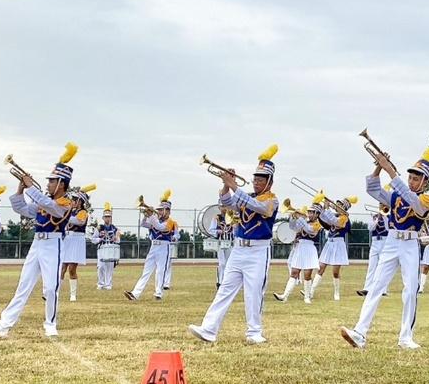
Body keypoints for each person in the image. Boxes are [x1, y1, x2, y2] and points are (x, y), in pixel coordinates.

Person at [340, 145, 429, 350]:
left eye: (416, 178)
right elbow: (372, 189)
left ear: (425, 181)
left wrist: (390, 170)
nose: (412, 181)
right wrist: (378, 167)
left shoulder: (427, 198)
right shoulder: (395, 195)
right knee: (376, 285)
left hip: (411, 243)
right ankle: (359, 332)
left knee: (411, 289)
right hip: (391, 241)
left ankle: (406, 337)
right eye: (410, 177)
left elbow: (414, 202)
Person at [0, 144, 77, 338]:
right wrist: (20, 190)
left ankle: (50, 323)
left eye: (51, 181)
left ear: (61, 183)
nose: (49, 184)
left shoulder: (65, 203)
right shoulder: (44, 200)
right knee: (23, 284)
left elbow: (49, 205)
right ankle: (4, 324)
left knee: (51, 287)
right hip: (37, 243)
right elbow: (23, 210)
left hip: (54, 244)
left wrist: (31, 187)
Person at [188, 145, 279, 344]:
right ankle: (209, 328)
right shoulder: (246, 196)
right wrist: (226, 186)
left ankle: (254, 332)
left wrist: (235, 186)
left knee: (254, 292)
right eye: (255, 179)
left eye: (260, 180)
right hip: (239, 248)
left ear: (269, 182)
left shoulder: (272, 200)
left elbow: (259, 208)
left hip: (258, 250)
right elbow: (226, 204)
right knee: (225, 288)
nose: (255, 183)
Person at [126, 190, 177, 301]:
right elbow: (143, 224)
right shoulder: (156, 219)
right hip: (154, 246)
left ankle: (158, 293)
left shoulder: (170, 222)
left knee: (160, 270)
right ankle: (135, 293)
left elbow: (160, 227)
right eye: (158, 210)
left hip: (164, 246)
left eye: (161, 210)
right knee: (146, 270)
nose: (158, 211)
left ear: (167, 211)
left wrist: (151, 216)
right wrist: (146, 215)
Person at [274, 201, 321, 303]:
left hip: (309, 248)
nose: (310, 214)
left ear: (317, 214)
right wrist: (293, 217)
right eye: (309, 212)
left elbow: (309, 229)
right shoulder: (304, 221)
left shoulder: (317, 224)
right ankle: (285, 296)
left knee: (307, 274)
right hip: (300, 247)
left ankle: (307, 296)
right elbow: (292, 227)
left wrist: (300, 217)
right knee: (294, 272)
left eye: (312, 212)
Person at [311, 196, 356, 300]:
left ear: (344, 208)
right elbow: (325, 218)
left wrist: (327, 209)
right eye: (338, 205)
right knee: (320, 267)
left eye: (340, 205)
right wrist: (323, 209)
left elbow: (334, 220)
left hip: (338, 244)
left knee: (335, 272)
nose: (337, 206)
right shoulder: (334, 216)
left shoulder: (344, 219)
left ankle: (336, 292)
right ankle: (311, 291)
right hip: (329, 244)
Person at [61, 183, 95, 302]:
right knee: (62, 267)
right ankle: (56, 290)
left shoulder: (83, 212)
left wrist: (64, 216)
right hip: (68, 239)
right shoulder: (70, 211)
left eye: (75, 199)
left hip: (77, 239)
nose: (73, 201)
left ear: (80, 202)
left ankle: (73, 294)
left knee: (72, 268)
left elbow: (78, 221)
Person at [357, 204, 389, 297]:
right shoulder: (374, 216)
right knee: (372, 266)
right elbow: (370, 228)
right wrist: (378, 218)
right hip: (375, 242)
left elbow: (388, 228)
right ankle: (367, 288)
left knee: (383, 266)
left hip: (385, 241)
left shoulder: (390, 216)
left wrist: (385, 216)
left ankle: (383, 290)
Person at [90, 203, 120, 290]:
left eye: (109, 216)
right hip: (102, 248)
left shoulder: (114, 228)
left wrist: (115, 238)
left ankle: (108, 284)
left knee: (110, 266)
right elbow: (93, 239)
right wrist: (99, 239)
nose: (107, 218)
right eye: (106, 216)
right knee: (101, 266)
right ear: (103, 218)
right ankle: (100, 283)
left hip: (111, 248)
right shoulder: (99, 228)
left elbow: (118, 240)